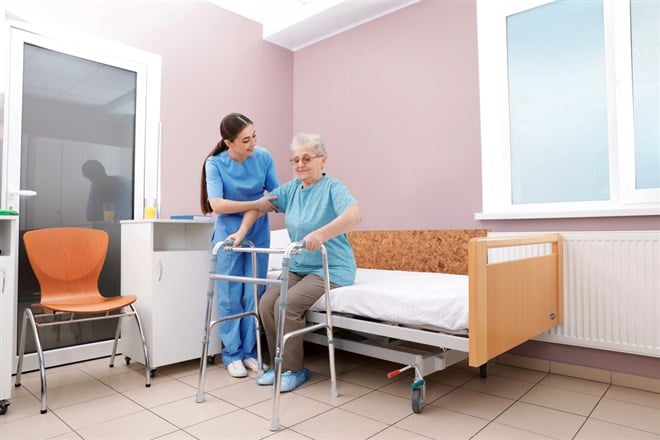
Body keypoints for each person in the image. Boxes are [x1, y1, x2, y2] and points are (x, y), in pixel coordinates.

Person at [229, 132, 362, 392]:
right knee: (267, 302)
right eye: (295, 160)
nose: (300, 164)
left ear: (323, 161)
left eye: (307, 158)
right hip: (299, 266)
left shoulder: (333, 187)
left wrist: (322, 234)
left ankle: (294, 369)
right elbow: (260, 206)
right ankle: (277, 363)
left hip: (331, 268)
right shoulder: (291, 190)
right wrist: (241, 232)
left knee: (285, 304)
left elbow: (355, 214)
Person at [200, 112, 280, 378]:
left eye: (254, 136)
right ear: (228, 142)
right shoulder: (215, 163)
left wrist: (259, 207)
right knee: (230, 295)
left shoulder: (264, 157)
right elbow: (218, 205)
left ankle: (250, 353)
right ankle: (232, 354)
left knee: (253, 294)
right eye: (245, 140)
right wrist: (256, 203)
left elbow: (276, 196)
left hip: (258, 232)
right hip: (227, 234)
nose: (252, 144)